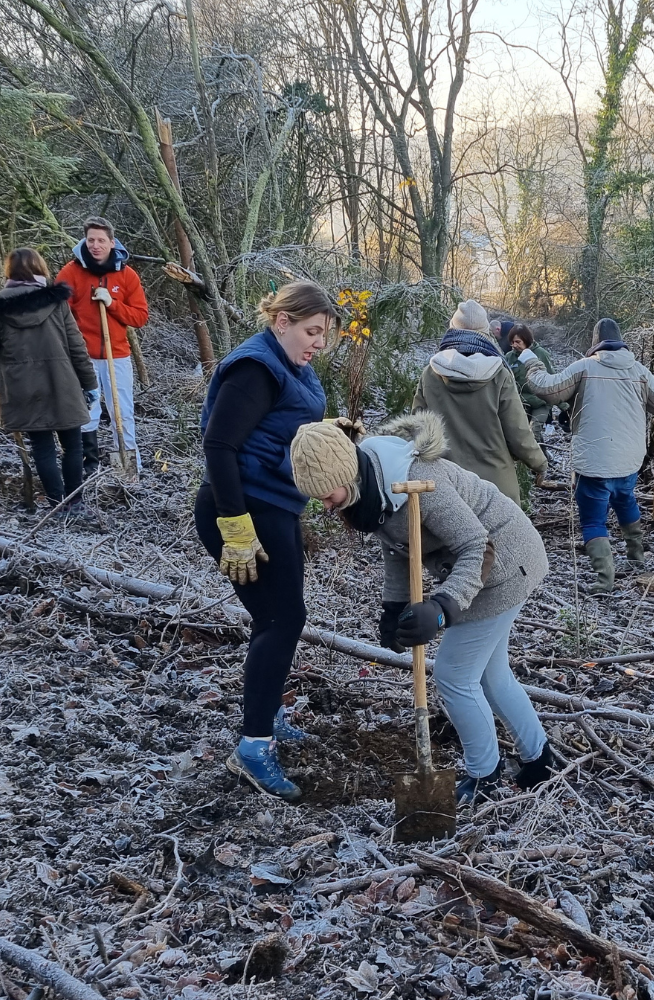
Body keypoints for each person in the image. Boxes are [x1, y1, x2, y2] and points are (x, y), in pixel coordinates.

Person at [289, 411, 560, 805]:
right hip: (483, 569)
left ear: (346, 476)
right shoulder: (374, 489)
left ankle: (484, 773)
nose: (326, 507)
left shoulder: (420, 484)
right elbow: (400, 548)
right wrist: (393, 607)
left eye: (327, 495)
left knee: (454, 674)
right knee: (490, 674)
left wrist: (441, 607)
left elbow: (476, 547)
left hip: (504, 564)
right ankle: (539, 760)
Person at [192, 282, 338, 801]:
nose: (319, 342)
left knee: (274, 618)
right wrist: (236, 528)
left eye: (324, 334)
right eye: (311, 330)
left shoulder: (292, 365)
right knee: (283, 618)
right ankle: (253, 746)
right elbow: (220, 443)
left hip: (275, 505)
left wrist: (327, 436)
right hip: (243, 506)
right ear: (281, 321)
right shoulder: (256, 366)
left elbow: (281, 429)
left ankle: (267, 713)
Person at [521, 318, 654, 593]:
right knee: (625, 500)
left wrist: (532, 362)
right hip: (629, 459)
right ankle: (636, 559)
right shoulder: (639, 371)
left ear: (595, 342)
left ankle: (605, 580)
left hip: (593, 461)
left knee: (593, 519)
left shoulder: (586, 367)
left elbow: (547, 389)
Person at [0, 248, 99, 521]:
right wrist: (90, 383)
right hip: (62, 381)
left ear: (9, 272)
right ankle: (74, 502)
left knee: (42, 448)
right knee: (73, 446)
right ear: (40, 268)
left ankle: (56, 506)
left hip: (21, 387)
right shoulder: (55, 300)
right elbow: (77, 346)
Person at [412, 299, 546, 503]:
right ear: (486, 333)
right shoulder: (499, 373)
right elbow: (517, 432)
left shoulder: (431, 374)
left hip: (447, 486)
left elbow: (418, 430)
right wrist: (539, 463)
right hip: (497, 489)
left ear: (452, 330)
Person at [58, 217, 148, 476]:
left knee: (123, 411)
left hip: (116, 356)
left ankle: (129, 470)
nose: (96, 245)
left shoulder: (126, 275)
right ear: (84, 241)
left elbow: (140, 317)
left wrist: (112, 303)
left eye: (101, 240)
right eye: (91, 240)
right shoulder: (71, 273)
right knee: (87, 413)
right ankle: (90, 468)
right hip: (82, 358)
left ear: (111, 242)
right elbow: (57, 312)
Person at [504, 324, 563, 492]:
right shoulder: (510, 357)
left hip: (541, 403)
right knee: (521, 434)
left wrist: (564, 405)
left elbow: (552, 381)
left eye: (518, 342)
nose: (514, 345)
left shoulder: (541, 354)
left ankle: (538, 471)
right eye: (512, 342)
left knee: (534, 432)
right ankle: (542, 458)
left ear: (527, 341)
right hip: (521, 402)